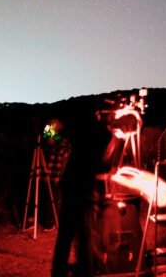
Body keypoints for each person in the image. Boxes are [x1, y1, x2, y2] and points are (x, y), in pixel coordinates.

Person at [51, 106, 112, 277]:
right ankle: (82, 271)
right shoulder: (100, 133)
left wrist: (51, 130)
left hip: (73, 185)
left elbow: (50, 135)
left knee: (67, 234)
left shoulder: (75, 126)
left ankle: (59, 272)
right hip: (84, 187)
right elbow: (104, 164)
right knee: (84, 235)